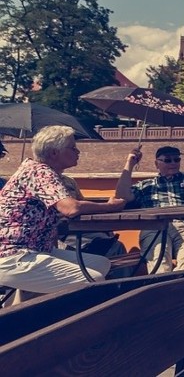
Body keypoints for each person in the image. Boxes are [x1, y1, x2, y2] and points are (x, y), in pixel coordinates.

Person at [0, 126, 125, 295]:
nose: (78, 151)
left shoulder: (37, 170)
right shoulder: (40, 172)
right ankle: (75, 319)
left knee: (102, 264)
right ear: (54, 153)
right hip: (13, 256)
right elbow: (71, 208)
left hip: (35, 250)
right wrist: (110, 207)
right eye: (72, 148)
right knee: (92, 279)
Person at [114, 145, 184, 274]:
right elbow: (121, 196)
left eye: (176, 160)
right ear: (157, 164)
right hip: (154, 227)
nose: (173, 163)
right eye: (167, 160)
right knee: (159, 260)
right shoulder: (146, 185)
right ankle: (163, 289)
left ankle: (179, 286)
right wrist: (130, 163)